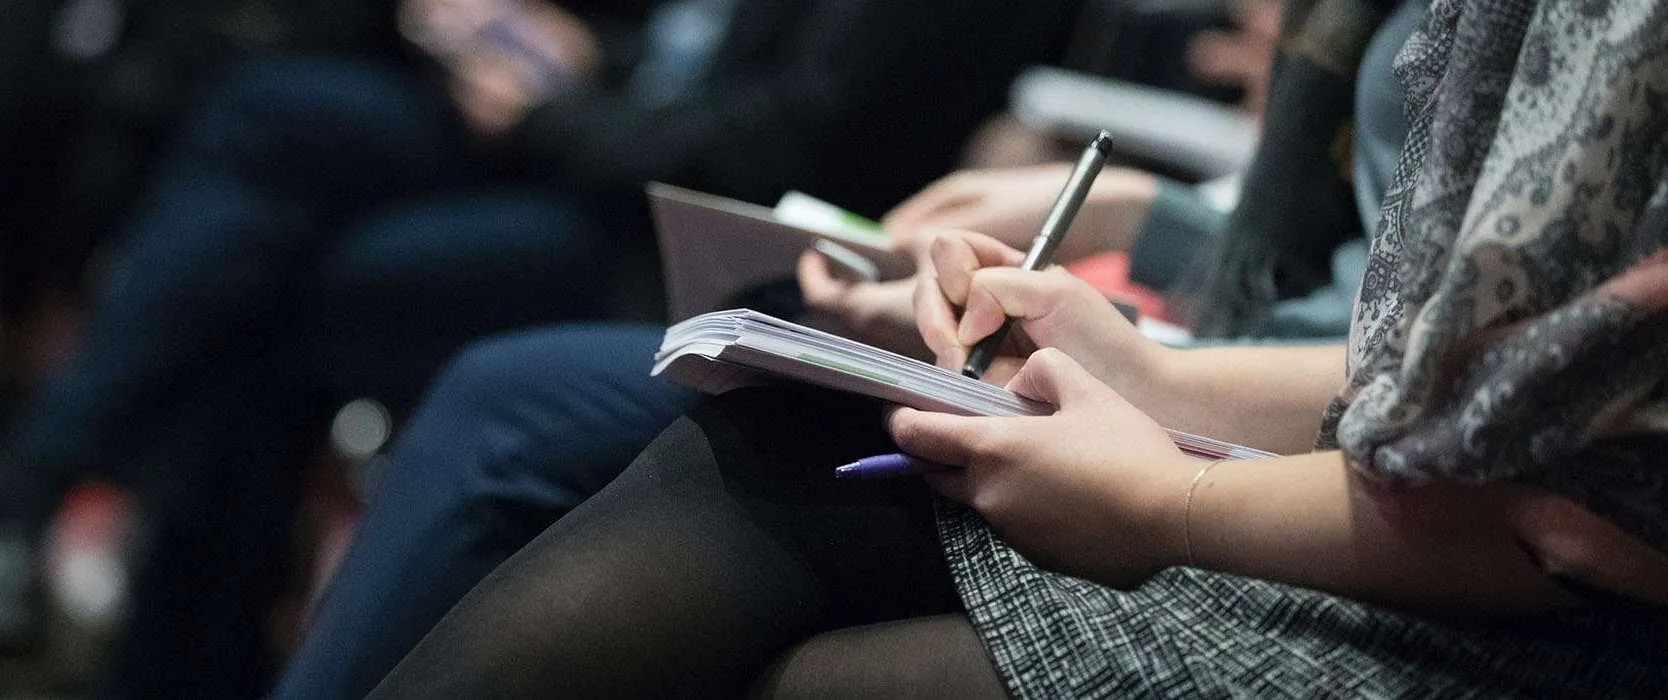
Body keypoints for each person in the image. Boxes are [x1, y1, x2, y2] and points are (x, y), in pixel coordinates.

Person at [0, 0, 1063, 695]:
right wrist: (559, 47)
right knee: (261, 111)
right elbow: (678, 49)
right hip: (601, 147)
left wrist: (559, 98)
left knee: (279, 299)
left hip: (702, 237)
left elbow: (760, 152)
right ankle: (32, 537)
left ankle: (36, 544)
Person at [358, 0, 1668, 694]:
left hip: (1536, 616)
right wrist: (1151, 371)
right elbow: (1444, 366)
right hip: (1369, 461)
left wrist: (1178, 498)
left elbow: (1571, 502)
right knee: (754, 439)